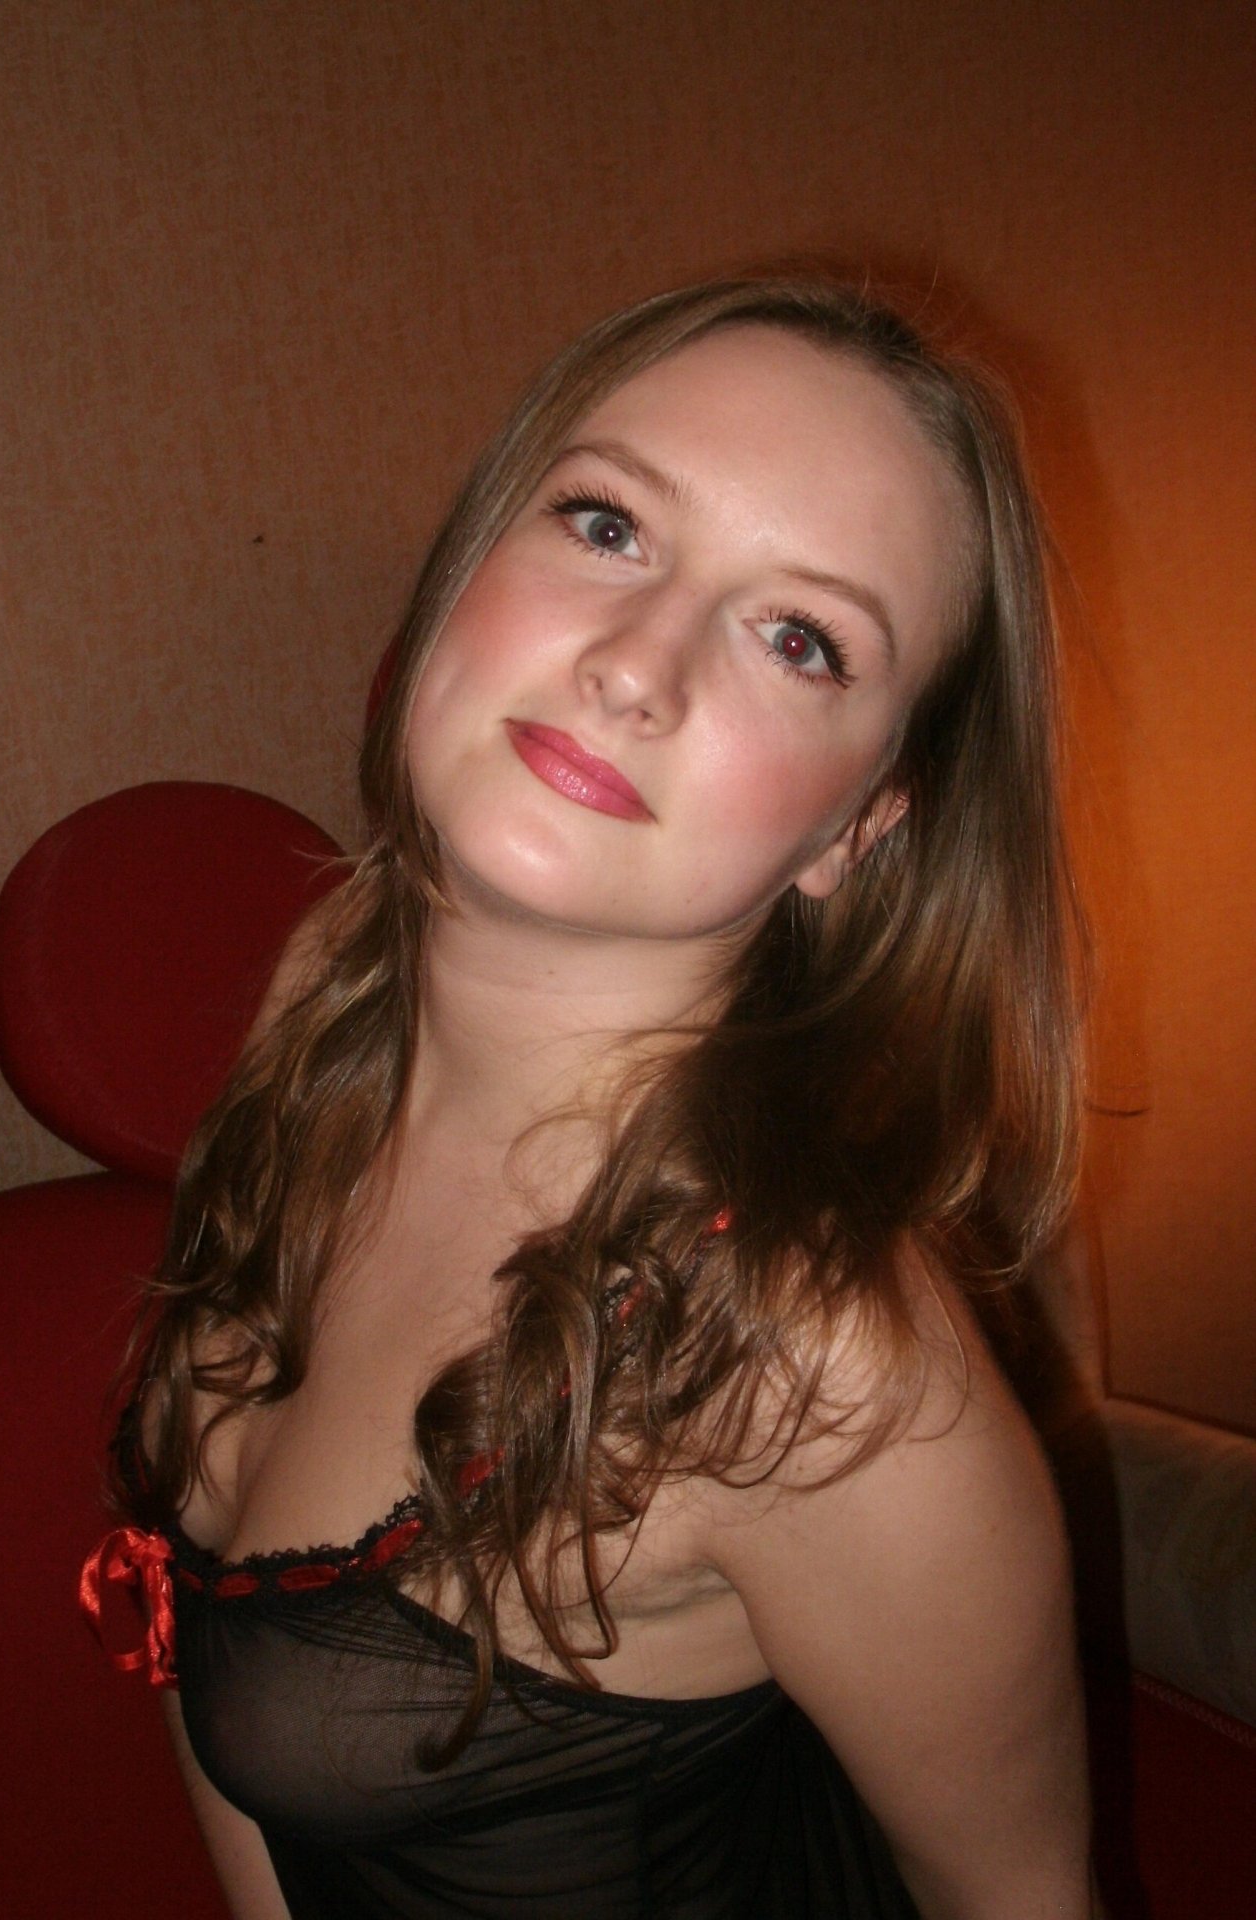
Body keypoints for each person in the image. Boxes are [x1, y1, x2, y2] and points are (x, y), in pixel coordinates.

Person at [85, 275, 1096, 1918]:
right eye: (609, 525)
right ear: (473, 555)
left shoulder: (817, 1373)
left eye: (799, 638)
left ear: (859, 828)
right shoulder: (327, 1004)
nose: (638, 664)